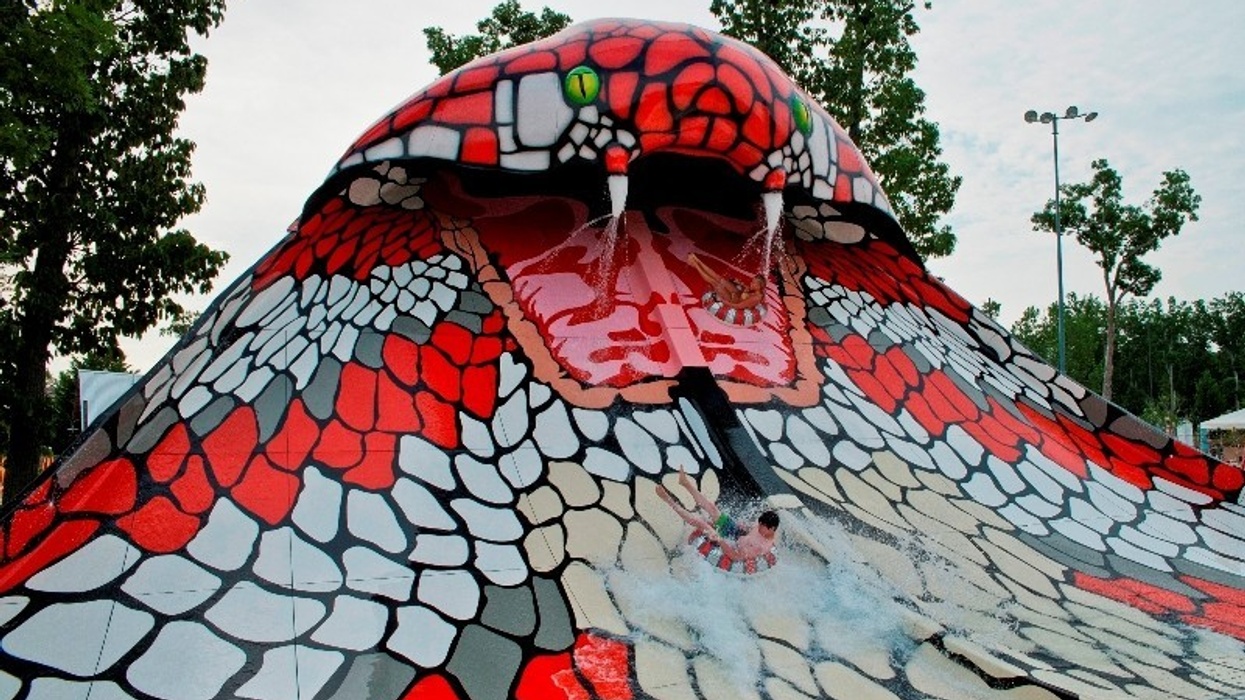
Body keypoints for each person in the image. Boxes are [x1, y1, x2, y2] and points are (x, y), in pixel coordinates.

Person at [656, 467, 779, 562]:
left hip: (731, 545)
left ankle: (668, 500)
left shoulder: (761, 547)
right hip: (735, 533)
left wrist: (719, 540)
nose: (759, 527)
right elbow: (748, 530)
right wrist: (737, 525)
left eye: (762, 527)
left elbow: (735, 556)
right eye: (759, 524)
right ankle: (685, 483)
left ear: (771, 528)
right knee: (713, 509)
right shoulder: (762, 527)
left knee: (701, 523)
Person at [685, 253, 765, 310]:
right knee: (719, 278)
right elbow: (745, 291)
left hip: (733, 300)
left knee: (714, 282)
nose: (751, 283)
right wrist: (740, 284)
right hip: (737, 293)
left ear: (759, 286)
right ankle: (696, 259)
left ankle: (695, 264)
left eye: (754, 283)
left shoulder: (755, 298)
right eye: (752, 281)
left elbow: (738, 306)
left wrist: (722, 301)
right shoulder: (756, 291)